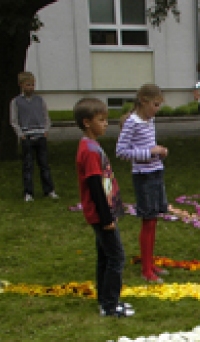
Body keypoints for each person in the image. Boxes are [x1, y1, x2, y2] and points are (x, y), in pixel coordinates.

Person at [73, 97, 132, 318]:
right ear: (87, 122)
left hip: (102, 212)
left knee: (105, 257)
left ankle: (106, 299)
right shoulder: (88, 150)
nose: (106, 124)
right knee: (116, 257)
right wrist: (107, 217)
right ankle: (110, 304)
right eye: (102, 120)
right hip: (100, 214)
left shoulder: (91, 146)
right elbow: (95, 186)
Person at [116, 83, 169, 284]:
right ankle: (146, 269)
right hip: (143, 176)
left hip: (156, 172)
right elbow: (121, 151)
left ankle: (150, 262)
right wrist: (150, 153)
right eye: (155, 105)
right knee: (148, 220)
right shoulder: (132, 122)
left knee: (154, 219)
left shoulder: (149, 120)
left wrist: (160, 153)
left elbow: (149, 145)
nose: (157, 109)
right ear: (144, 101)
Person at [10, 72, 57, 202]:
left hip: (40, 135)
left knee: (44, 164)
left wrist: (46, 130)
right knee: (28, 165)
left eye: (32, 85)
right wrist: (21, 134)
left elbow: (46, 116)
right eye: (28, 85)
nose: (31, 87)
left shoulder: (40, 100)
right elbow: (14, 120)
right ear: (21, 85)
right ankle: (28, 192)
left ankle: (49, 190)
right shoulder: (16, 102)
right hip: (27, 137)